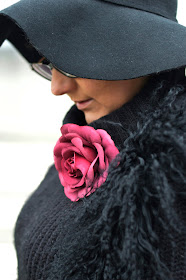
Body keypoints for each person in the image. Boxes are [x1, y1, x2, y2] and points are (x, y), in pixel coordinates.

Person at [0, 0, 186, 279]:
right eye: (49, 64)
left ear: (139, 49)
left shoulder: (172, 179)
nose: (57, 87)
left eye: (72, 64)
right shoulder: (82, 138)